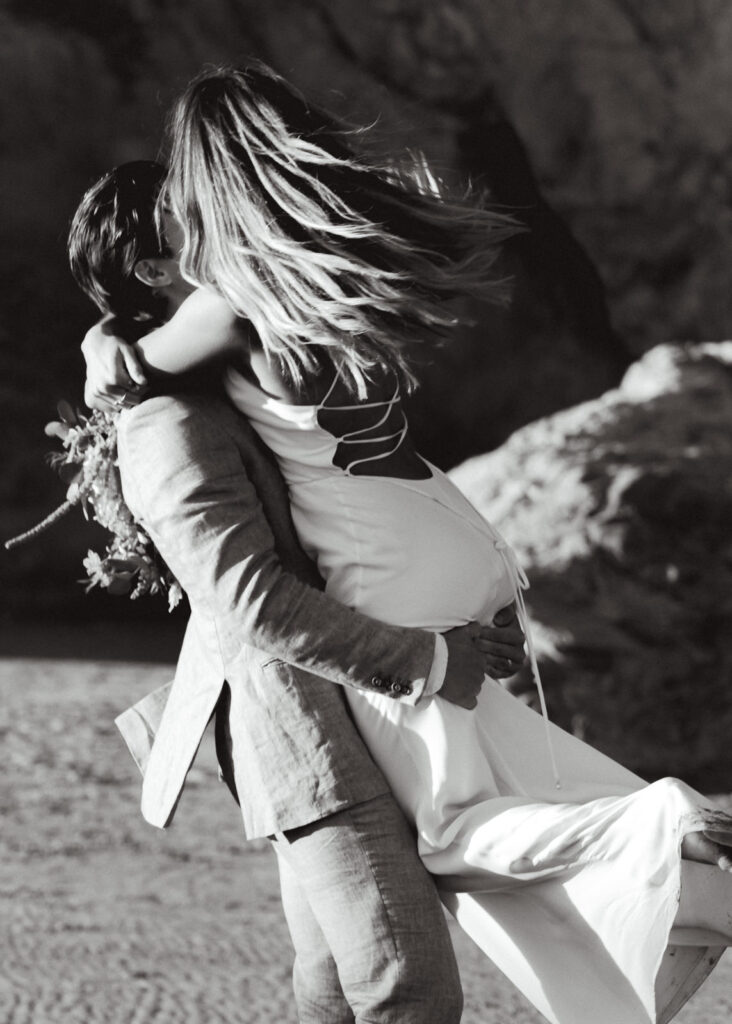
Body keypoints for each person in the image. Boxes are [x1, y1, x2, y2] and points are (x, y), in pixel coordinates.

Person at [80, 67, 732, 1024]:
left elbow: (129, 371)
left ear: (214, 186)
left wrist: (105, 345)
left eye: (183, 190)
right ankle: (664, 847)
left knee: (455, 843)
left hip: (387, 602)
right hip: (422, 576)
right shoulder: (327, 289)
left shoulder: (227, 310)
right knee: (339, 968)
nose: (181, 215)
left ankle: (663, 819)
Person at [68, 158, 531, 1024]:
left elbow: (352, 514)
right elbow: (254, 605)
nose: (226, 222)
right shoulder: (169, 426)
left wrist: (455, 617)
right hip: (310, 735)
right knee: (408, 992)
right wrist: (433, 661)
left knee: (330, 987)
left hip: (363, 708)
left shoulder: (237, 375)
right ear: (155, 267)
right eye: (193, 213)